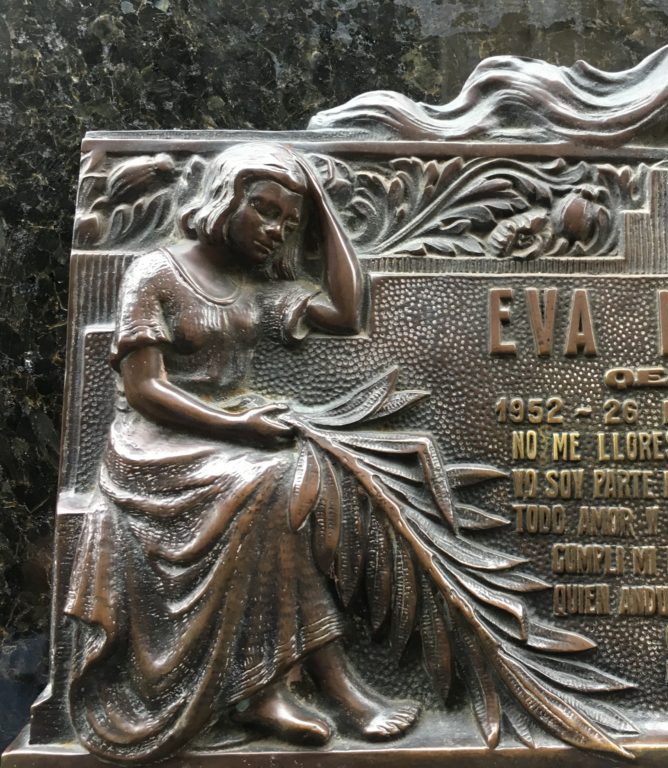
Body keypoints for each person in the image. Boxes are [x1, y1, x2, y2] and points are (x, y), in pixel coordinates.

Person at [64, 143, 419, 764]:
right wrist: (239, 431)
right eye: (265, 212)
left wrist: (321, 206)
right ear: (226, 200)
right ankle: (299, 688)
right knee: (266, 483)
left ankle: (290, 685)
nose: (277, 231)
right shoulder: (155, 273)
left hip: (231, 434)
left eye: (289, 221)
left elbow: (345, 307)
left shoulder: (253, 284)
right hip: (155, 447)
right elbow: (145, 388)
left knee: (307, 477)